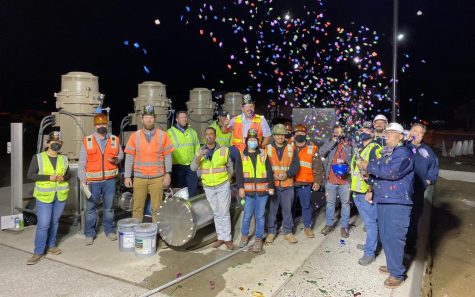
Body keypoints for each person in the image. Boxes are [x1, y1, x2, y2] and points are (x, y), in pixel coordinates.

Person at [357, 122, 415, 289]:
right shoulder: (389, 153)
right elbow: (380, 176)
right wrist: (368, 176)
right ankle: (393, 266)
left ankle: (397, 274)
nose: (386, 135)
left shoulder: (403, 152)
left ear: (401, 136)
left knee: (394, 237)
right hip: (384, 200)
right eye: (387, 132)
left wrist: (368, 165)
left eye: (391, 132)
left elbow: (391, 172)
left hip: (397, 203)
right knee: (386, 236)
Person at [26, 131, 71, 265]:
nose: (56, 143)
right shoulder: (38, 158)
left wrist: (64, 177)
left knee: (54, 221)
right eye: (54, 141)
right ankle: (38, 252)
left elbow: (68, 174)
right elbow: (30, 175)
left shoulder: (63, 158)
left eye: (59, 142)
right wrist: (48, 177)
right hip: (44, 196)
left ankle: (51, 246)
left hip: (60, 195)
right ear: (48, 143)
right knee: (44, 224)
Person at [79, 113, 124, 245]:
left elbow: (120, 154)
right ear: (95, 126)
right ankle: (89, 233)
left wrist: (117, 159)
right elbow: (82, 162)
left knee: (109, 207)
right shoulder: (88, 141)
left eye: (103, 124)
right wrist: (83, 178)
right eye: (98, 124)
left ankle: (109, 230)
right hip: (93, 182)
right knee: (91, 208)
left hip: (109, 181)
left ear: (107, 124)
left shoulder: (114, 139)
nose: (101, 126)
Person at [124, 105, 174, 223]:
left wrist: (168, 174)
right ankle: (137, 236)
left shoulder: (163, 135)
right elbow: (129, 157)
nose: (149, 120)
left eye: (151, 117)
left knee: (157, 209)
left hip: (157, 178)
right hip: (139, 178)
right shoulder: (134, 136)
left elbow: (167, 156)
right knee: (137, 208)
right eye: (146, 117)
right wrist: (127, 176)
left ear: (155, 118)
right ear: (142, 119)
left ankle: (156, 235)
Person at [191, 127, 234, 250]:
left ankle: (228, 239)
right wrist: (200, 156)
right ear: (204, 137)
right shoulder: (200, 150)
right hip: (208, 186)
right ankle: (220, 237)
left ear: (215, 136)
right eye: (207, 134)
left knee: (224, 212)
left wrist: (229, 178)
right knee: (216, 212)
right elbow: (193, 167)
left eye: (211, 134)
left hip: (222, 185)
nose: (209, 136)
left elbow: (230, 166)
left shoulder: (223, 150)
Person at [236, 129, 275, 252]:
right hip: (248, 192)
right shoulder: (241, 155)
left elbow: (269, 171)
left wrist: (272, 186)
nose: (252, 141)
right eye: (250, 139)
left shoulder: (263, 154)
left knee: (260, 215)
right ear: (247, 141)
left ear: (257, 142)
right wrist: (240, 187)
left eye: (254, 140)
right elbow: (239, 174)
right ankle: (244, 236)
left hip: (262, 191)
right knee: (247, 215)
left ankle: (258, 239)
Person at [350, 127, 382, 265]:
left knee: (371, 224)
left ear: (373, 134)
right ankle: (371, 244)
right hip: (357, 192)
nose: (362, 132)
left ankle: (370, 253)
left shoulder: (375, 148)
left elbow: (377, 171)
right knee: (368, 222)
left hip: (366, 193)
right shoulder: (360, 148)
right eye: (361, 130)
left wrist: (371, 189)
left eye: (367, 131)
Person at [405, 123, 439, 254]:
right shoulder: (403, 147)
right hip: (401, 191)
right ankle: (396, 247)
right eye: (415, 131)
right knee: (401, 219)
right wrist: (404, 142)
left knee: (414, 218)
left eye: (420, 132)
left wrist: (429, 179)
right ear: (410, 132)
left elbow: (434, 166)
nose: (417, 134)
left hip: (418, 191)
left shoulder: (427, 150)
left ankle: (410, 246)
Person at [265, 124, 300, 244]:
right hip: (273, 185)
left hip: (287, 184)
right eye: (278, 135)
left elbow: (296, 165)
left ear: (285, 136)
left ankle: (288, 232)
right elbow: (265, 166)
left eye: (282, 135)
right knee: (272, 210)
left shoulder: (291, 148)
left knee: (287, 209)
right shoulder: (268, 148)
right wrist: (272, 176)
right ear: (274, 136)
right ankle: (271, 232)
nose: (280, 137)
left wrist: (287, 174)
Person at [319, 125, 353, 238]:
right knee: (330, 203)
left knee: (346, 204)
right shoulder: (330, 143)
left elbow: (352, 159)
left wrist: (346, 146)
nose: (338, 134)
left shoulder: (349, 144)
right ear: (333, 133)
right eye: (336, 132)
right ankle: (329, 225)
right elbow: (321, 152)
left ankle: (344, 227)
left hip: (345, 181)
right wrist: (333, 141)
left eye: (340, 132)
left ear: (344, 133)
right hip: (331, 180)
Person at [292, 124, 324, 238]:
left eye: (302, 133)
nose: (300, 135)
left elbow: (318, 166)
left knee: (306, 206)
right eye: (298, 133)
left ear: (306, 134)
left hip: (305, 183)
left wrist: (317, 181)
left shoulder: (312, 147)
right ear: (294, 134)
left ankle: (307, 227)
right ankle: (289, 228)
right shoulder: (288, 146)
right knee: (290, 206)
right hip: (290, 182)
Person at [228, 94, 272, 161]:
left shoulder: (261, 119)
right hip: (237, 151)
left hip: (253, 150)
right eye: (247, 107)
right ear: (242, 109)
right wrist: (224, 125)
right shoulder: (235, 119)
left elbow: (268, 135)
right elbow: (225, 131)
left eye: (251, 107)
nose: (249, 109)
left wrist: (261, 147)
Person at [167, 111, 200, 197]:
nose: (184, 119)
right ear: (177, 119)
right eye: (181, 117)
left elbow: (197, 147)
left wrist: (196, 162)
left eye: (185, 117)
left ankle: (190, 209)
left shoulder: (192, 132)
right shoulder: (170, 133)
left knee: (192, 191)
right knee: (178, 192)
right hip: (177, 167)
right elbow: (166, 151)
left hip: (191, 167)